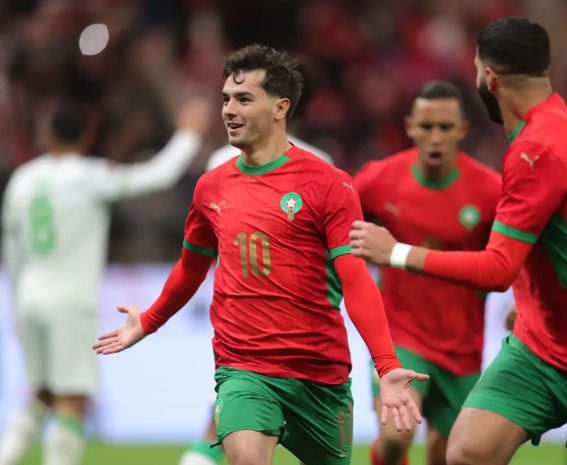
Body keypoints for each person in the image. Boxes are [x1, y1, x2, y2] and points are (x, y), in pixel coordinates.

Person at [350, 17, 567, 465]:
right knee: (467, 453)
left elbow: (496, 269)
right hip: (543, 344)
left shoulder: (537, 149)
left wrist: (396, 252)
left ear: (490, 77)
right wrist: (538, 297)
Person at [93, 44, 426, 465]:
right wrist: (149, 320)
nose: (229, 111)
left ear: (280, 107)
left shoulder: (329, 182)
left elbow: (356, 280)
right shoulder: (211, 187)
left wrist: (386, 365)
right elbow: (191, 269)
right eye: (226, 99)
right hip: (243, 368)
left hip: (319, 374)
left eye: (244, 99)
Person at [0, 97, 209, 465]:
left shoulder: (22, 180)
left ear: (48, 135)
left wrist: (16, 305)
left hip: (29, 298)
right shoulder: (89, 177)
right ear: (86, 136)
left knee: (41, 393)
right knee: (71, 400)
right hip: (69, 301)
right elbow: (158, 176)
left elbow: (12, 249)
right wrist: (188, 136)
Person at [353, 80, 502, 465]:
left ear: (462, 130)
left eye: (445, 127)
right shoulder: (378, 180)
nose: (435, 137)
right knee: (396, 436)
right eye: (426, 126)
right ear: (410, 127)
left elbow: (510, 259)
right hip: (399, 338)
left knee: (447, 456)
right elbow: (337, 228)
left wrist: (527, 302)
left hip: (462, 349)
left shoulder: (490, 191)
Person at [179, 138, 333, 465]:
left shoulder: (319, 166)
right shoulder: (222, 165)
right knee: (226, 426)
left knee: (221, 428)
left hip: (290, 334)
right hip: (249, 332)